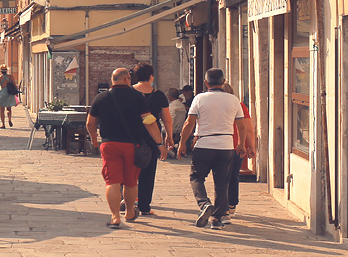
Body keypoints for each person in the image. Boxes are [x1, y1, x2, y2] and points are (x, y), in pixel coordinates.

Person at [176, 68, 255, 229]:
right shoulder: (233, 100)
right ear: (223, 82)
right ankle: (217, 219)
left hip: (204, 144)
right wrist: (240, 144)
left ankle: (204, 204)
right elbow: (242, 126)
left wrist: (182, 143)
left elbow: (189, 123)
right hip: (226, 146)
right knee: (222, 182)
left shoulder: (200, 98)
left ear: (206, 83)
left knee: (196, 178)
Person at [86, 68, 163, 228]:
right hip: (131, 144)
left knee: (112, 181)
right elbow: (149, 121)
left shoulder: (101, 97)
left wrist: (94, 137)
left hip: (109, 144)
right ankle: (129, 212)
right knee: (130, 181)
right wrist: (159, 143)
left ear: (112, 80)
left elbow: (90, 123)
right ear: (127, 80)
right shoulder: (137, 97)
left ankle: (115, 217)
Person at [130, 62, 172, 217]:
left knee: (130, 170)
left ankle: (127, 200)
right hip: (151, 137)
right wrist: (169, 136)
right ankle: (144, 206)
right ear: (151, 76)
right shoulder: (159, 95)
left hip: (130, 136)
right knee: (148, 172)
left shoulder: (129, 92)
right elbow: (166, 119)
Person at [220, 83, 254, 225]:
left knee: (221, 176)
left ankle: (224, 205)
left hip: (221, 145)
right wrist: (251, 146)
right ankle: (231, 204)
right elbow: (248, 128)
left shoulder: (215, 106)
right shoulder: (239, 105)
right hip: (237, 146)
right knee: (233, 174)